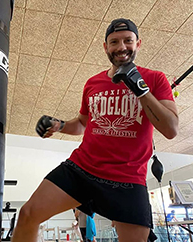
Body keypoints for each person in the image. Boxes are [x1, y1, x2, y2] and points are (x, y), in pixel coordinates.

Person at [11, 18, 178, 242]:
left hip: (127, 178)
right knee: (28, 214)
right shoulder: (92, 83)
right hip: (82, 169)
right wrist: (58, 125)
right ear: (105, 47)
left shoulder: (155, 79)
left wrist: (139, 87)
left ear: (138, 43)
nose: (121, 47)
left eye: (128, 41)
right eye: (114, 42)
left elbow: (171, 129)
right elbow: (82, 123)